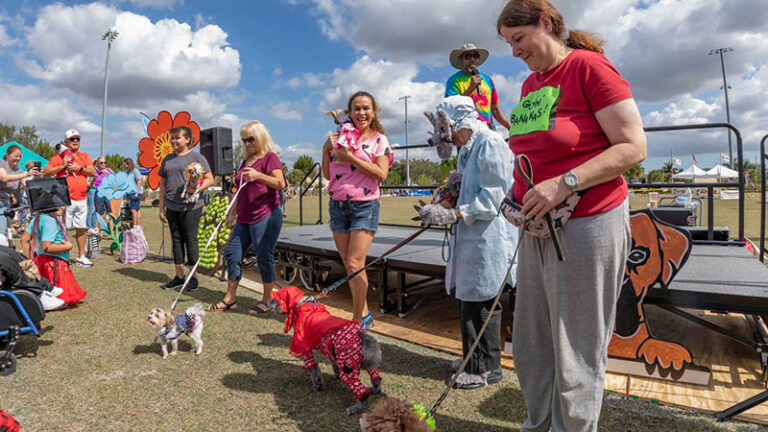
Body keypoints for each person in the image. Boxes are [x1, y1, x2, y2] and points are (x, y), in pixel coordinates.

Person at [497, 1, 647, 430]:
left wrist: (565, 182)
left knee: (576, 347)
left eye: (519, 39)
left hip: (588, 222)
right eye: (509, 43)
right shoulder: (530, 85)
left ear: (547, 23)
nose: (515, 51)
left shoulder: (590, 68)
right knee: (531, 344)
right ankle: (538, 424)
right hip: (537, 225)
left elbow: (633, 147)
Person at [417, 96, 516, 389]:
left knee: (482, 301)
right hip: (470, 236)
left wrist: (454, 213)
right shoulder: (467, 149)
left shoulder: (490, 143)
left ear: (459, 124)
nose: (448, 140)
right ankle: (472, 358)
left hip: (488, 238)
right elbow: (462, 183)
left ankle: (487, 368)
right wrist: (447, 197)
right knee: (468, 298)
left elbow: (494, 197)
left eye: (448, 132)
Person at [321, 91, 393, 328]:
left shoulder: (379, 140)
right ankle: (363, 313)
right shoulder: (341, 137)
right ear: (349, 112)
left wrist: (350, 157)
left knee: (354, 263)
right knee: (349, 262)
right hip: (338, 205)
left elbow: (381, 174)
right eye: (357, 109)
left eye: (366, 108)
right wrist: (325, 150)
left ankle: (356, 321)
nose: (361, 113)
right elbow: (327, 174)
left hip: (364, 205)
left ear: (374, 112)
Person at [208, 121, 285, 314]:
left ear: (261, 137)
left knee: (263, 256)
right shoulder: (245, 162)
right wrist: (232, 210)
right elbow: (241, 191)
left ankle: (267, 299)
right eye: (244, 140)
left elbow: (280, 183)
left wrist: (259, 176)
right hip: (243, 217)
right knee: (232, 254)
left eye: (251, 139)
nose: (248, 143)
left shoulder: (270, 158)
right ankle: (229, 298)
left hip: (265, 215)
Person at [158, 126, 214, 292]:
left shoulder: (198, 158)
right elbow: (162, 184)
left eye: (177, 138)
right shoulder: (167, 159)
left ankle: (193, 277)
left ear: (188, 139)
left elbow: (210, 179)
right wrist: (161, 207)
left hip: (192, 207)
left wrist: (195, 189)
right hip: (172, 206)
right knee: (176, 240)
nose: (173, 141)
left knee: (191, 239)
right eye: (172, 138)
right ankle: (179, 276)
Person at [42, 129, 96, 268]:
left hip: (82, 198)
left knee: (81, 228)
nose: (76, 141)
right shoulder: (59, 157)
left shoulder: (84, 156)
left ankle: (81, 256)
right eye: (72, 139)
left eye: (78, 138)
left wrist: (79, 168)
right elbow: (46, 172)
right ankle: (63, 256)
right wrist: (62, 165)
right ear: (66, 142)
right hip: (64, 199)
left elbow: (93, 172)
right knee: (62, 229)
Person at [20, 205, 87, 306]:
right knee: (61, 300)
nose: (62, 207)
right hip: (54, 266)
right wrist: (68, 246)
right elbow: (47, 246)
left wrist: (29, 259)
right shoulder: (50, 221)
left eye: (63, 204)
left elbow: (24, 239)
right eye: (57, 205)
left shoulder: (38, 218)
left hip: (42, 263)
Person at [445, 43, 511, 131]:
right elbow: (452, 108)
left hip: (488, 131)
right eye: (468, 57)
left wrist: (510, 128)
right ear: (461, 59)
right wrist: (470, 88)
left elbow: (494, 109)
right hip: (466, 132)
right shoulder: (454, 80)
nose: (472, 59)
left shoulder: (487, 80)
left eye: (475, 56)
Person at [0, 146, 38, 237]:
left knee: (4, 233)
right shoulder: (1, 164)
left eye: (20, 156)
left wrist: (37, 177)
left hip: (5, 204)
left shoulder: (18, 170)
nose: (18, 158)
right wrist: (26, 173)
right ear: (7, 155)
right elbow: (4, 178)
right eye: (16, 156)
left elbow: (26, 183)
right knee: (2, 233)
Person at [92, 157, 114, 229]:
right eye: (101, 163)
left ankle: (112, 233)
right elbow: (91, 183)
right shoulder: (95, 172)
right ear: (97, 163)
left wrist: (107, 173)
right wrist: (96, 175)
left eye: (105, 162)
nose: (103, 164)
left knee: (111, 213)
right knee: (101, 214)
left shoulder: (109, 170)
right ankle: (101, 232)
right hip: (99, 193)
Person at [123, 157, 143, 227]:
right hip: (131, 193)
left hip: (136, 193)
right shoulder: (128, 172)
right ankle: (138, 226)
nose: (124, 166)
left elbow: (139, 181)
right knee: (137, 210)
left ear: (128, 164)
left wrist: (137, 192)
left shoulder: (135, 171)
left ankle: (135, 226)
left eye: (125, 164)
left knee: (133, 210)